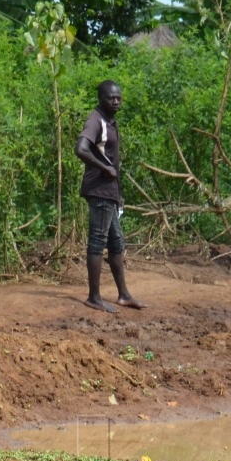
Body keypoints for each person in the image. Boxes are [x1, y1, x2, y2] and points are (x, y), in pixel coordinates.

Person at [75, 80, 144, 313]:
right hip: (98, 190)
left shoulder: (110, 122)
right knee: (97, 241)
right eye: (110, 98)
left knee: (116, 243)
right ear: (101, 98)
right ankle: (94, 297)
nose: (116, 101)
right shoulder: (96, 120)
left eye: (118, 98)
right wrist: (104, 170)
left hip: (109, 192)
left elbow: (112, 161)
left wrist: (118, 193)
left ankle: (123, 295)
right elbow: (81, 149)